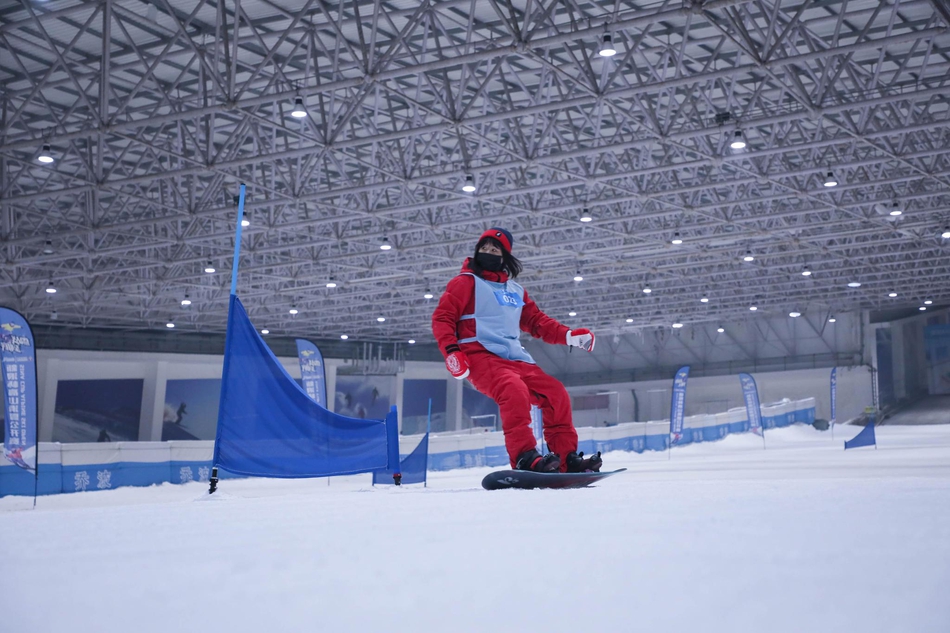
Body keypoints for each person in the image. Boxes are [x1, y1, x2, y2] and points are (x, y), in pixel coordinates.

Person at [431, 227, 602, 473]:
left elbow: (537, 322)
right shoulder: (465, 282)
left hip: (516, 358)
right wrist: (451, 352)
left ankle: (566, 459)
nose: (487, 252)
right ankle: (525, 457)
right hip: (479, 355)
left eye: (494, 249)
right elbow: (443, 318)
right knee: (513, 390)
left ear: (505, 256)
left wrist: (568, 336)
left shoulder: (515, 291)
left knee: (556, 394)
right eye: (483, 248)